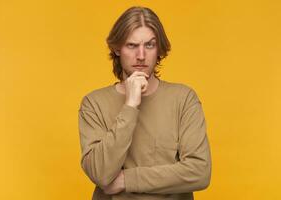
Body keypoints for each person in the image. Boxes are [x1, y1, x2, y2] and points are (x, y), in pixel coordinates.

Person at [78, 6, 211, 200]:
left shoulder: (184, 99)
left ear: (159, 50)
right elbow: (100, 173)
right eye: (131, 45)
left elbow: (200, 171)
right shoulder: (93, 104)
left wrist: (127, 180)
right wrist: (130, 106)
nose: (141, 55)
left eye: (149, 45)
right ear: (117, 48)